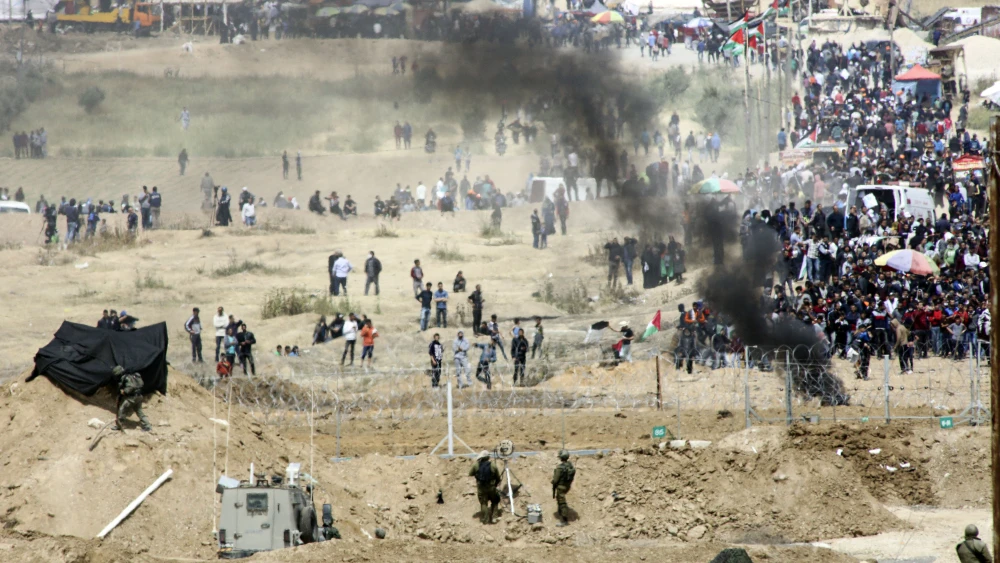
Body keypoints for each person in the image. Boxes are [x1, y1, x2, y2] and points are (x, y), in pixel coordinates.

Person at [112, 366, 151, 432]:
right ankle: (147, 426)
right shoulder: (133, 376)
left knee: (122, 409)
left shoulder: (126, 378)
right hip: (139, 396)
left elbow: (131, 387)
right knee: (139, 412)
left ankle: (119, 425)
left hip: (132, 398)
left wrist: (124, 391)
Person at [469, 450, 501, 524]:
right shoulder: (493, 465)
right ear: (488, 457)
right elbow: (498, 477)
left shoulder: (476, 465)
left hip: (481, 488)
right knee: (495, 500)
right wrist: (496, 483)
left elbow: (470, 473)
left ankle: (485, 520)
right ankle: (494, 517)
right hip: (491, 487)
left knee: (483, 503)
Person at [551, 450, 576, 527]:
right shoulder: (570, 465)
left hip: (560, 487)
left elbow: (555, 480)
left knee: (562, 503)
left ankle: (564, 520)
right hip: (567, 486)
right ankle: (560, 512)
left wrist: (553, 482)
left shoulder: (560, 468)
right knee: (560, 500)